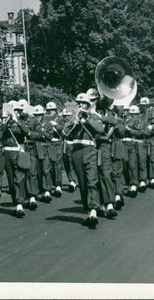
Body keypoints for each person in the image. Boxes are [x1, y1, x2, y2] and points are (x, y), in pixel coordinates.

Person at [62, 93, 101, 228]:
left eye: (83, 103)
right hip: (76, 151)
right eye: (78, 103)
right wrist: (74, 123)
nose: (80, 105)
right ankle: (88, 207)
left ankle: (94, 211)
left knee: (92, 180)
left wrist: (86, 120)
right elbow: (64, 132)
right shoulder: (74, 118)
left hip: (89, 150)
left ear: (88, 105)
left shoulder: (94, 116)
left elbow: (100, 129)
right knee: (82, 182)